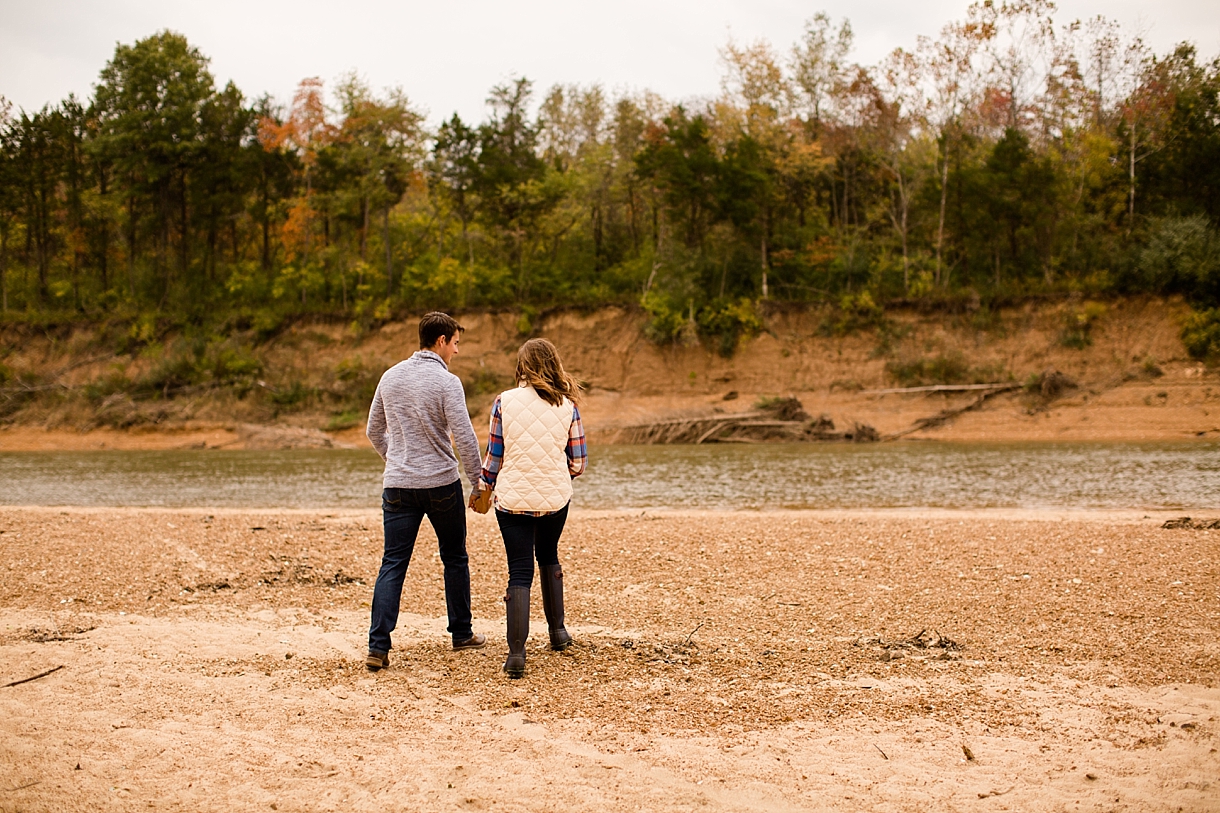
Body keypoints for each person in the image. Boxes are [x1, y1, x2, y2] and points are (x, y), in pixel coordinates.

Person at [364, 312, 487, 671]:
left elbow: (374, 430)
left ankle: (378, 646)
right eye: (456, 344)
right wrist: (478, 482)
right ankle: (461, 633)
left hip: (398, 485)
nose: (457, 352)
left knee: (393, 562)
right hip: (440, 484)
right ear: (441, 341)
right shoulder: (447, 382)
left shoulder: (390, 376)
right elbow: (464, 438)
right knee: (454, 556)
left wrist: (397, 459)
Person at [478, 338, 587, 678]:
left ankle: (516, 655)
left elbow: (493, 459)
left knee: (519, 569)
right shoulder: (568, 405)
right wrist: (555, 472)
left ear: (522, 365)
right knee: (549, 555)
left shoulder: (503, 401)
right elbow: (579, 463)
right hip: (555, 498)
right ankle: (558, 633)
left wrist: (484, 487)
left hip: (512, 500)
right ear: (554, 363)